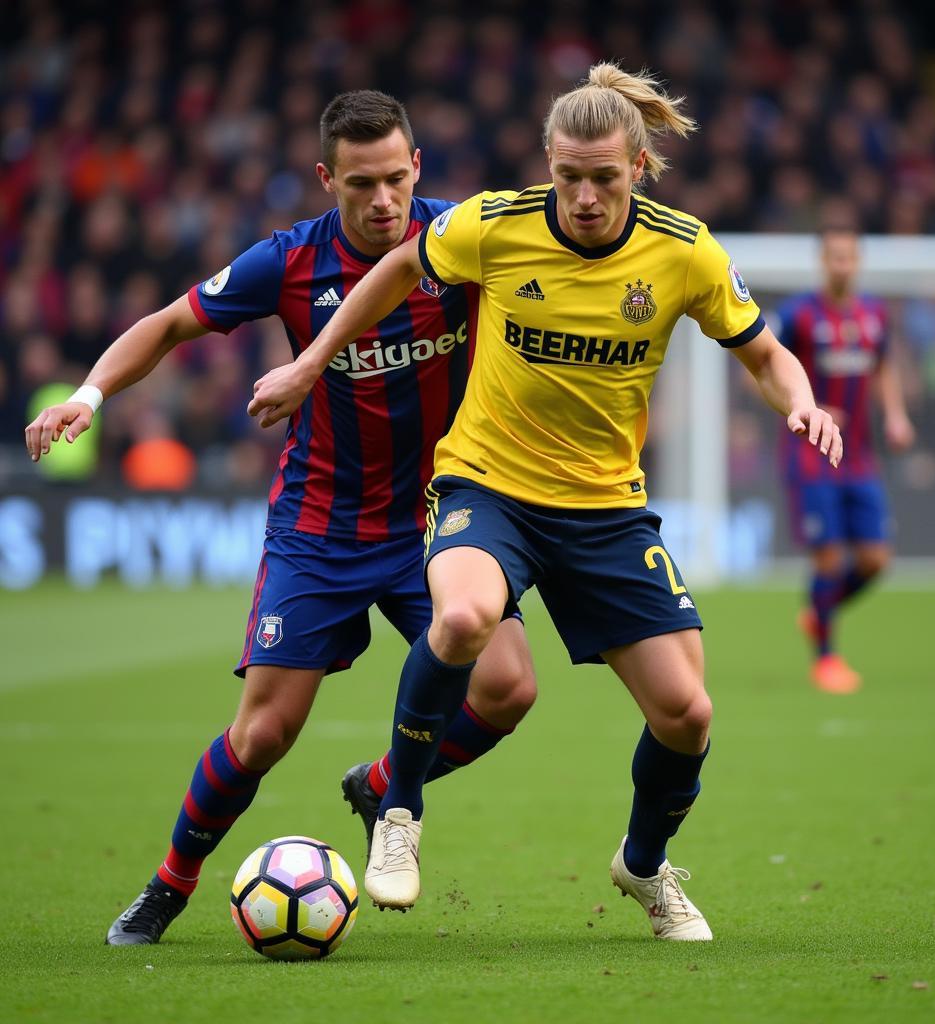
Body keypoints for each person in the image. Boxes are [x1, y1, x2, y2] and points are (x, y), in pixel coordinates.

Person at [248, 64, 843, 942]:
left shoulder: (685, 251)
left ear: (638, 168)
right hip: (488, 486)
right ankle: (400, 815)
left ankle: (644, 866)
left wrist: (799, 398)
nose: (586, 196)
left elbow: (763, 351)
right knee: (462, 620)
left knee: (687, 715)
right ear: (548, 166)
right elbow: (394, 270)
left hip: (605, 508)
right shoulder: (496, 223)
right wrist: (308, 362)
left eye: (605, 177)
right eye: (569, 176)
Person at [24, 90, 536, 945]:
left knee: (509, 686)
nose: (382, 202)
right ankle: (168, 884)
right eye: (360, 184)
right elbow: (168, 323)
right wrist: (89, 394)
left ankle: (381, 786)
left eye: (395, 181)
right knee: (263, 732)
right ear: (326, 178)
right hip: (321, 525)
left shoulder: (465, 237)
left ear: (418, 168)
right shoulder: (289, 261)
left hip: (439, 521)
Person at [777, 227, 914, 694]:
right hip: (811, 456)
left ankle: (818, 612)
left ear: (858, 261)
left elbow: (884, 366)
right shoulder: (797, 316)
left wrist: (895, 415)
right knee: (830, 560)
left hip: (859, 458)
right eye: (833, 258)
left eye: (848, 258)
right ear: (822, 261)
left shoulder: (873, 314)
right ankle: (827, 660)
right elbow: (769, 369)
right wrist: (807, 404)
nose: (841, 266)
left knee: (875, 560)